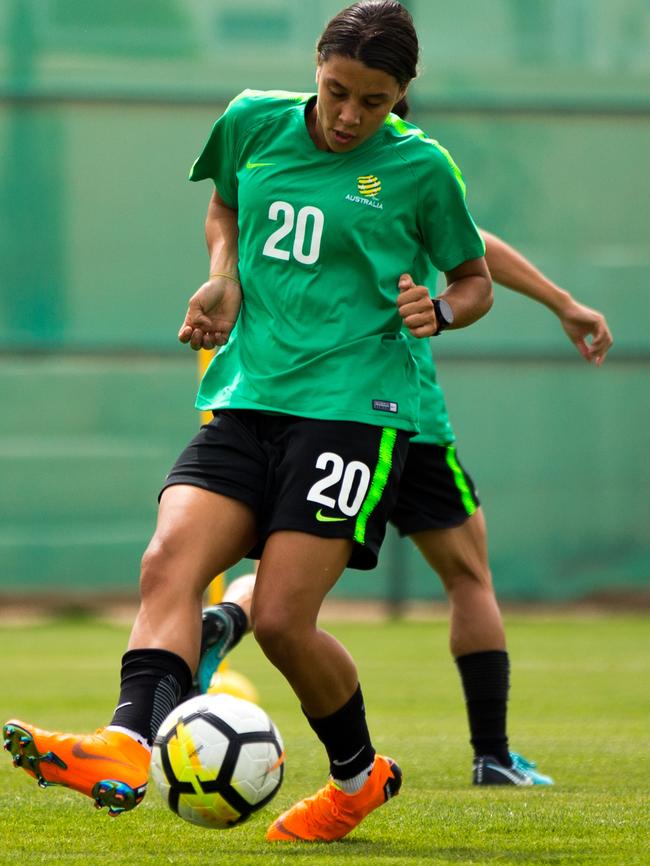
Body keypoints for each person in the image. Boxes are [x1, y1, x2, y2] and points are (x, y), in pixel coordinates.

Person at [4, 1, 493, 844]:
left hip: (353, 412)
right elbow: (224, 210)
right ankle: (123, 745)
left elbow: (474, 279)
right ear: (316, 65)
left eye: (373, 101)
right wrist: (223, 277)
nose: (349, 115)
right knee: (168, 561)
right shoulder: (250, 122)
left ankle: (358, 777)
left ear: (402, 95)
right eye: (337, 90)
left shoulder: (422, 169)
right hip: (244, 395)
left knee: (277, 621)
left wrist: (439, 312)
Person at [197, 231, 612, 787]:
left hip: (320, 413)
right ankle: (492, 755)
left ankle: (228, 619)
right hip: (402, 420)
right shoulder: (411, 173)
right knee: (468, 576)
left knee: (285, 570)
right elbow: (475, 247)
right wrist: (563, 302)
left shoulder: (308, 182)